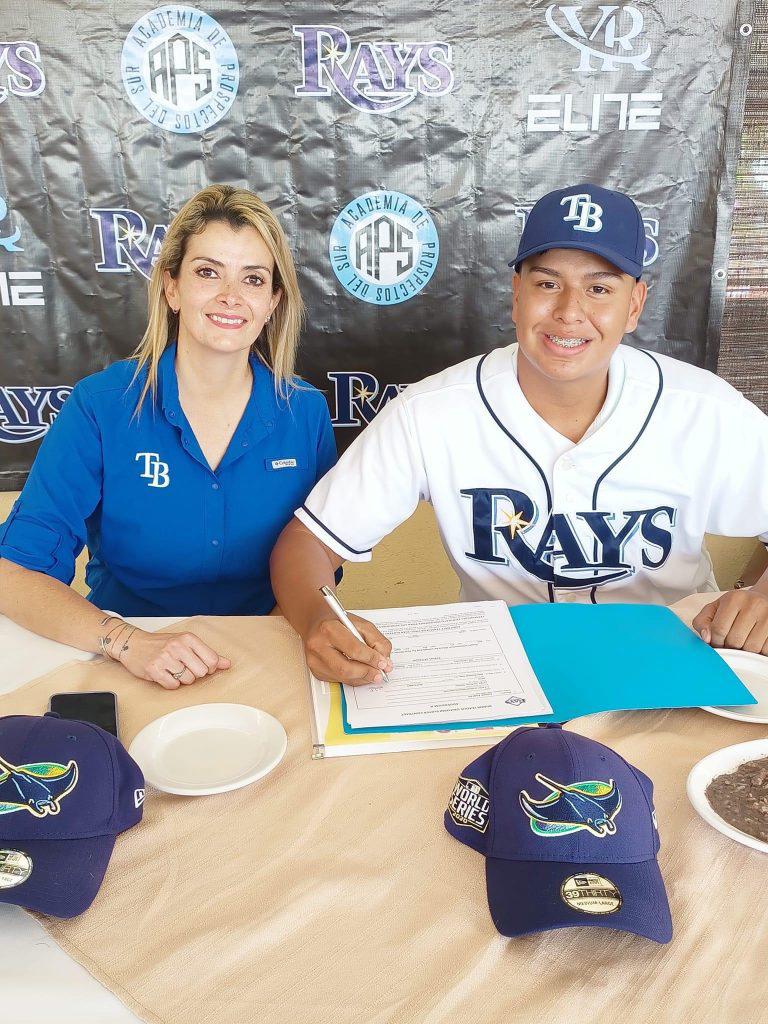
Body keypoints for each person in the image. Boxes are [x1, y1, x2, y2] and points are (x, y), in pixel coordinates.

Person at [270, 183, 768, 686]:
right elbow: (308, 542)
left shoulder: (706, 410)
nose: (569, 311)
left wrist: (762, 597)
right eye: (548, 284)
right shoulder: (431, 412)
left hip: (675, 663)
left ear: (635, 304)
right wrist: (318, 618)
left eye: (599, 289)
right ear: (517, 294)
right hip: (504, 672)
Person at [0, 185, 337, 689]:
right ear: (172, 288)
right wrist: (127, 642)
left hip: (266, 653)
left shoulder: (305, 412)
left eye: (252, 279)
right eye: (208, 272)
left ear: (273, 302)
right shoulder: (101, 406)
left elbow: (321, 560)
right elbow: (13, 575)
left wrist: (267, 645)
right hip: (128, 658)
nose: (230, 296)